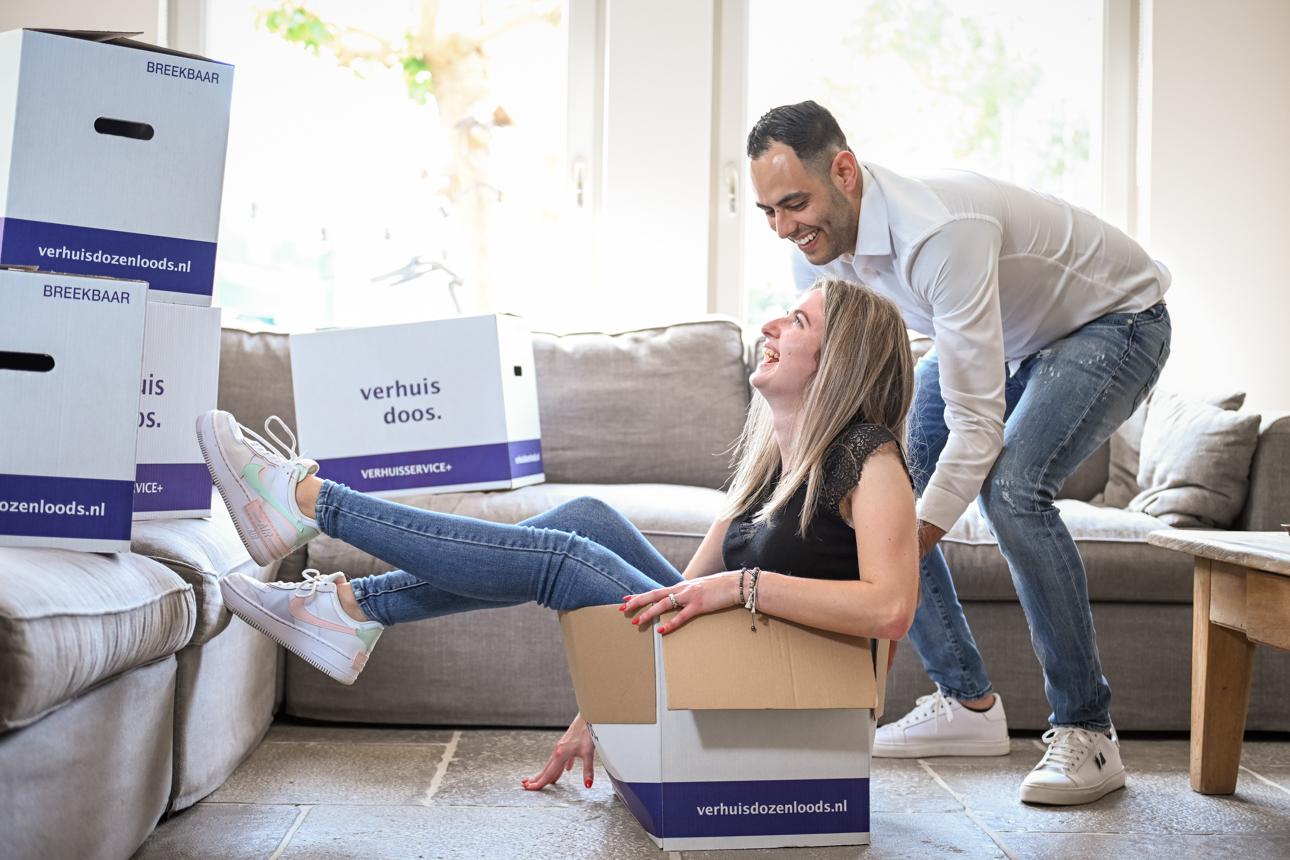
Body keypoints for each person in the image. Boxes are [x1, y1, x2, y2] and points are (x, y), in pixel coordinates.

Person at [203, 276, 920, 793]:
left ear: (840, 357)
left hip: (781, 692)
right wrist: (606, 703)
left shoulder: (870, 458)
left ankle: (310, 506)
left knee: (564, 557)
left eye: (796, 322)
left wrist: (743, 586)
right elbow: (675, 598)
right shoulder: (772, 467)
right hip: (727, 663)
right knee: (586, 519)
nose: (769, 327)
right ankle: (353, 609)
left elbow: (890, 608)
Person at [746, 100, 1171, 806]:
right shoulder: (814, 257)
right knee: (880, 474)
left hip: (1113, 320)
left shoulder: (940, 234)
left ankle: (1088, 731)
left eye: (795, 204)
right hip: (1014, 337)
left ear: (844, 172)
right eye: (769, 212)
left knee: (1011, 490)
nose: (785, 228)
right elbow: (839, 400)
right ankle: (968, 704)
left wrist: (897, 547)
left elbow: (977, 425)